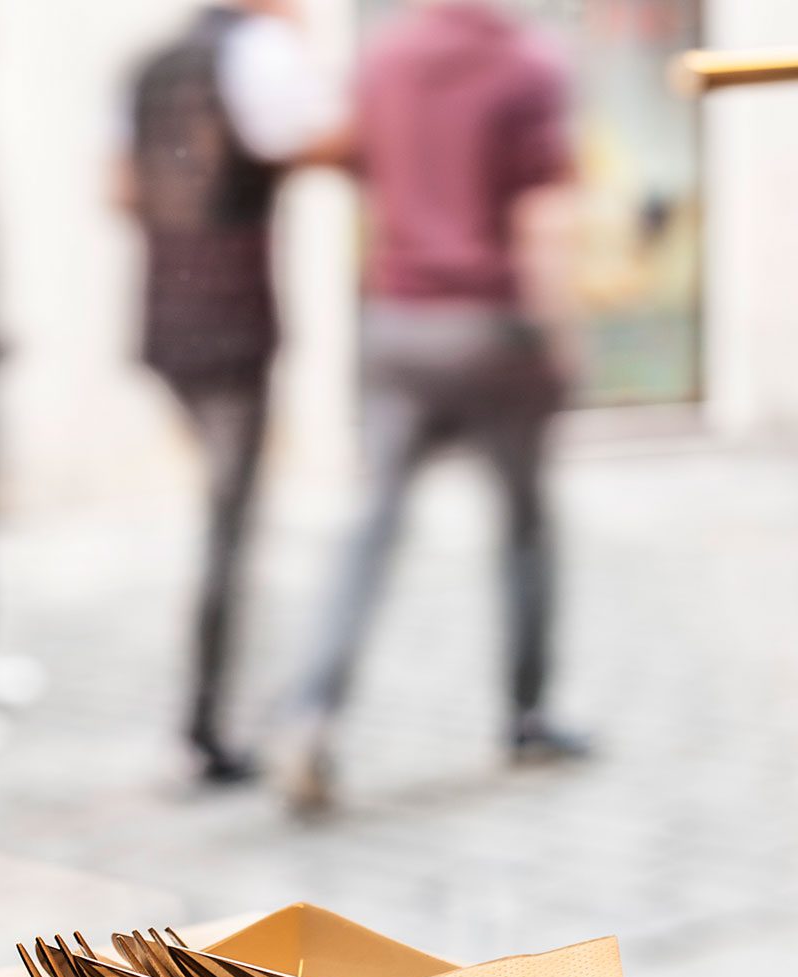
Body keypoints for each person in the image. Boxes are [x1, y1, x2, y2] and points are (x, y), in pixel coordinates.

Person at [283, 0, 586, 813]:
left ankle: (312, 716)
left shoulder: (384, 57)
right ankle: (527, 715)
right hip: (493, 327)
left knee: (372, 527)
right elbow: (542, 216)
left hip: (398, 323)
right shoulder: (532, 62)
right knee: (524, 525)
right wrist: (560, 338)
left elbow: (341, 152)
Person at [123, 0, 345, 783]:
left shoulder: (148, 64)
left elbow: (118, 189)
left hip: (166, 314)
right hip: (231, 322)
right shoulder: (259, 50)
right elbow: (318, 141)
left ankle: (210, 713)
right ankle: (206, 724)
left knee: (224, 522)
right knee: (229, 528)